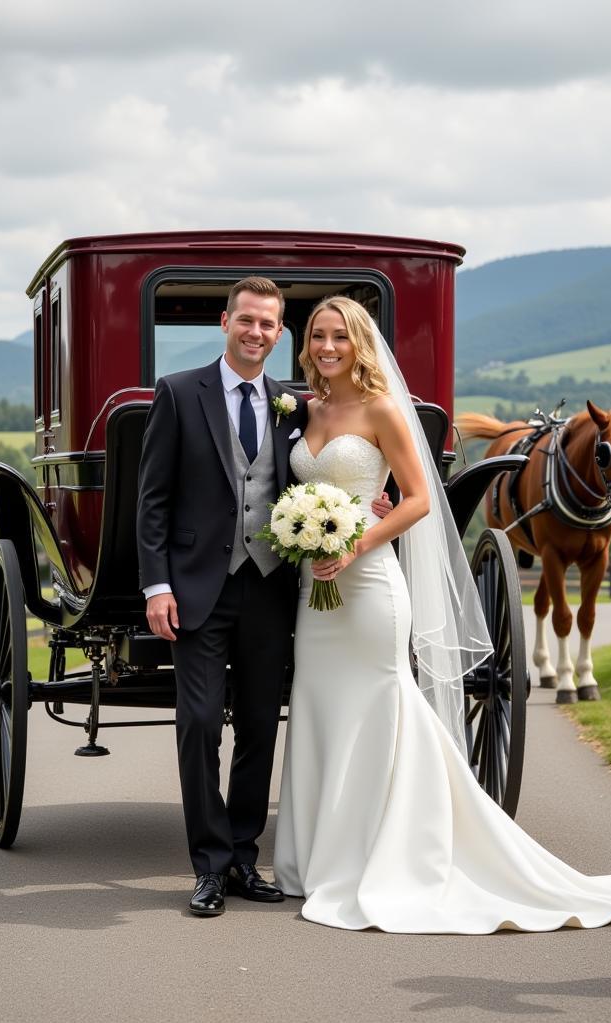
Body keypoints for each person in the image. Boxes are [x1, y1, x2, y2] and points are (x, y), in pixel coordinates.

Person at [272, 294, 611, 933]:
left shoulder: (381, 409)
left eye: (339, 337)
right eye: (318, 335)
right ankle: (314, 856)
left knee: (379, 701)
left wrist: (355, 543)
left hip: (370, 584)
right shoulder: (306, 410)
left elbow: (418, 500)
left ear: (360, 344)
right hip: (314, 590)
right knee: (320, 705)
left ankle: (390, 847)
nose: (326, 346)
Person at [136, 276, 390, 917]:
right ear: (225, 322)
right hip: (196, 590)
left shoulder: (295, 405)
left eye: (268, 325)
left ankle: (245, 859)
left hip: (274, 587)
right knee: (197, 725)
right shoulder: (178, 392)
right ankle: (208, 865)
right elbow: (153, 500)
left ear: (280, 335)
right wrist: (157, 586)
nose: (256, 332)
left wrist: (368, 509)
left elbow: (328, 471)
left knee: (256, 727)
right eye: (246, 320)